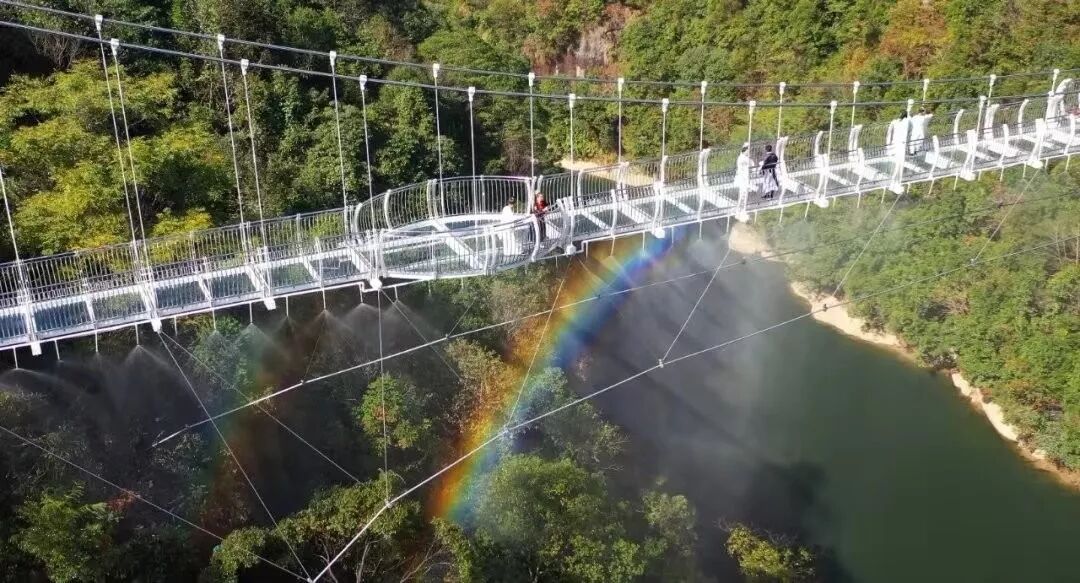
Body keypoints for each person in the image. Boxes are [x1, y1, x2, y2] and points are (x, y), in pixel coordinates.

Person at [735, 143, 753, 208]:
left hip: (745, 176)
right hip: (742, 177)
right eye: (748, 151)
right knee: (743, 192)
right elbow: (742, 167)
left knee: (744, 192)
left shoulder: (745, 158)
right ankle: (741, 205)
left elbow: (751, 164)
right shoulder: (742, 158)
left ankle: (742, 205)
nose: (749, 152)